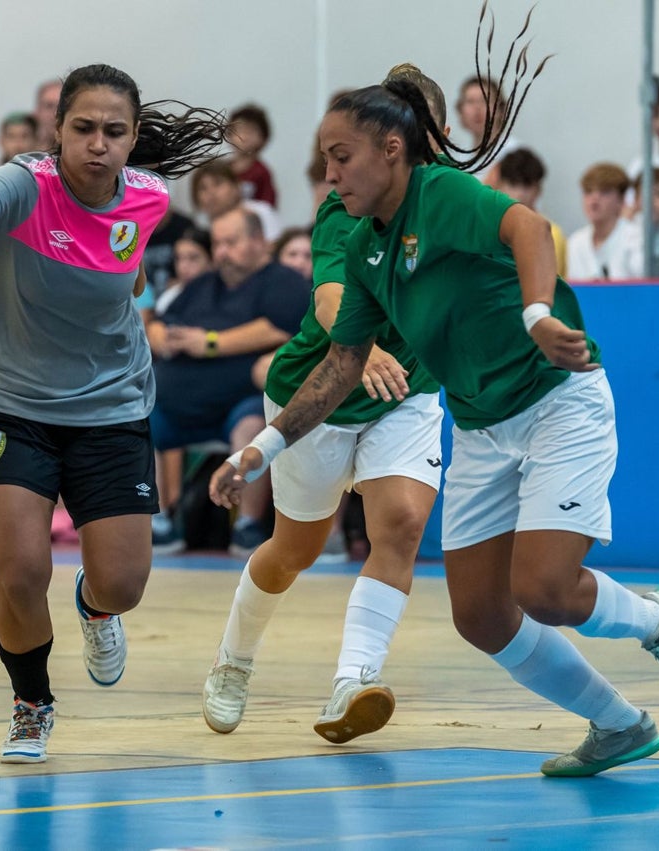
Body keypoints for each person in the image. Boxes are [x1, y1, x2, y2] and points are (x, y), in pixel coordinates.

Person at [211, 42, 659, 778]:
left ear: (395, 149)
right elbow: (341, 360)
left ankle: (658, 620)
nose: (328, 173)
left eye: (340, 156)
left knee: (541, 586)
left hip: (553, 398)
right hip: (479, 422)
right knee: (480, 614)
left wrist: (538, 312)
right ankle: (619, 725)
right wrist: (262, 448)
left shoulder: (441, 194)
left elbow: (529, 230)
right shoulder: (361, 244)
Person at [0, 63, 224, 765]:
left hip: (111, 405)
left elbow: (130, 267)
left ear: (133, 138)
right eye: (82, 127)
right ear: (58, 130)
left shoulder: (148, 198)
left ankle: (94, 607)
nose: (97, 143)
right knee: (20, 573)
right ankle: (32, 703)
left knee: (123, 582)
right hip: (11, 403)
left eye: (114, 131)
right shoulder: (26, 185)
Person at [201, 64, 446, 743]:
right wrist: (361, 349)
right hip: (319, 393)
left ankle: (352, 681)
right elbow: (331, 294)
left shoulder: (453, 201)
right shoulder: (347, 206)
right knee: (292, 551)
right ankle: (233, 659)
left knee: (398, 522)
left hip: (406, 392)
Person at [147, 207, 309, 557]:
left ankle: (247, 524)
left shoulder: (283, 280)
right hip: (180, 405)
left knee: (253, 425)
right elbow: (162, 319)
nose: (221, 251)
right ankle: (157, 522)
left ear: (258, 241)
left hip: (242, 403)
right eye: (218, 243)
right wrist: (160, 335)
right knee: (137, 415)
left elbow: (277, 328)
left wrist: (208, 343)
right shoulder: (203, 284)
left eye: (231, 242)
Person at [566, 163, 643, 281]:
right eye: (588, 191)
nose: (594, 198)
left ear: (621, 200)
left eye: (604, 192)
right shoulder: (575, 242)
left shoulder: (637, 238)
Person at [497, 148, 567, 278]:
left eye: (527, 185)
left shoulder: (552, 233)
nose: (520, 194)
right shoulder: (488, 231)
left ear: (538, 189)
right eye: (513, 184)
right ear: (500, 185)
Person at [227, 103, 278, 207]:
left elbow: (267, 207)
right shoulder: (223, 170)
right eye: (239, 130)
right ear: (229, 135)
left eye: (250, 131)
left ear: (263, 137)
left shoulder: (262, 173)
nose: (244, 137)